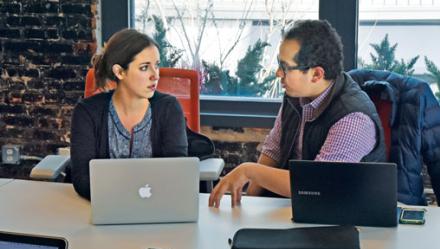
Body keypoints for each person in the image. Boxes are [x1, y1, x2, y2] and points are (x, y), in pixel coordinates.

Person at [208, 20, 386, 208]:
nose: (278, 73)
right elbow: (274, 151)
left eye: (285, 67)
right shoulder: (295, 95)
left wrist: (248, 170)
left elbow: (315, 184)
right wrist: (249, 205)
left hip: (340, 219)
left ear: (316, 74)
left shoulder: (353, 118)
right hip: (297, 209)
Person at [70, 29, 188, 200]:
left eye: (156, 65)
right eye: (144, 67)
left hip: (157, 208)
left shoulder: (169, 108)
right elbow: (82, 179)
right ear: (120, 72)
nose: (155, 75)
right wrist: (130, 197)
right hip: (105, 207)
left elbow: (177, 173)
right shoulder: (87, 112)